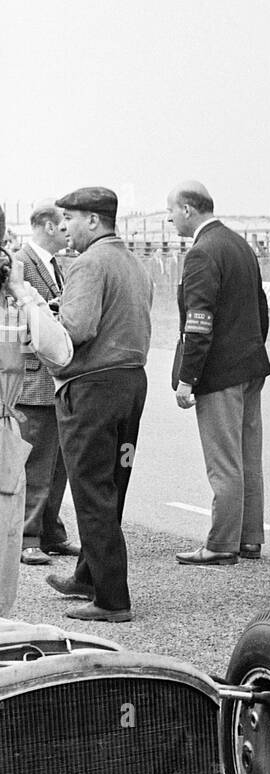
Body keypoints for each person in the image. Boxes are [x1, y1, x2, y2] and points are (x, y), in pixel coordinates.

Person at [47, 187, 152, 623]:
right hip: (130, 381)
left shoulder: (88, 263)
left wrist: (50, 318)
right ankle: (89, 575)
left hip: (92, 386)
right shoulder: (133, 263)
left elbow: (78, 329)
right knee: (111, 487)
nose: (64, 227)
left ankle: (111, 600)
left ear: (93, 220)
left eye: (69, 218)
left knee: (90, 491)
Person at [167, 182, 270, 565]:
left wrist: (187, 378)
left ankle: (221, 543)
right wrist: (252, 350)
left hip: (219, 372)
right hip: (250, 366)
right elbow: (261, 311)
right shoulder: (240, 245)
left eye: (172, 211)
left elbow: (198, 323)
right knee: (247, 458)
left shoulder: (201, 253)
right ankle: (248, 537)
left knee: (224, 462)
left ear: (189, 210)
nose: (170, 218)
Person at [0, 210, 73, 615]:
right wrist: (22, 291)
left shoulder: (13, 304)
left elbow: (60, 352)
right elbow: (60, 350)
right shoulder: (15, 303)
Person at [16, 201, 78, 566]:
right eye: (64, 224)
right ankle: (27, 536)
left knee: (58, 465)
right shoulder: (20, 263)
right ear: (49, 227)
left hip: (55, 378)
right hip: (32, 378)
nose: (68, 231)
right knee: (36, 464)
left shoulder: (56, 265)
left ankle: (50, 531)